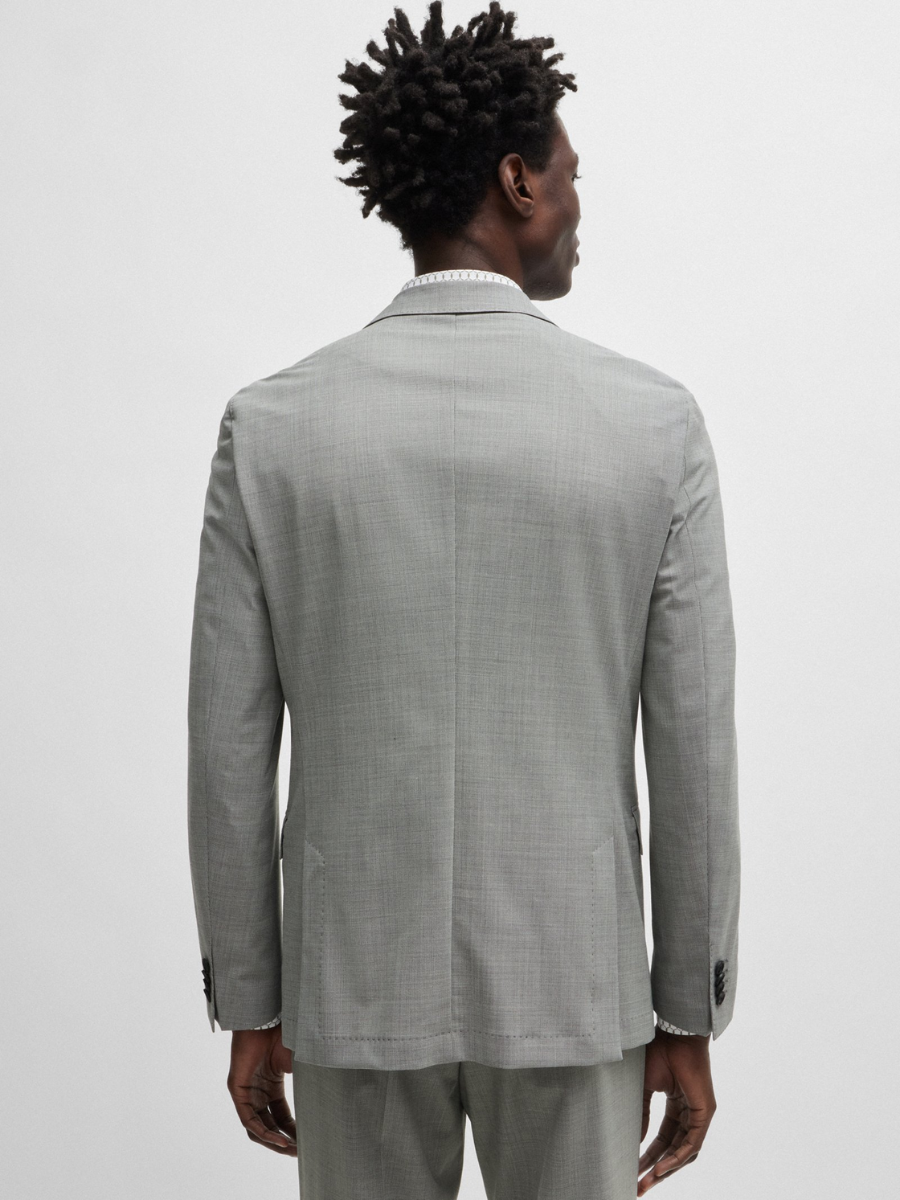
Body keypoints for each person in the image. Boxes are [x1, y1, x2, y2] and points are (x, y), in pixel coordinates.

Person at [187, 3, 740, 1197]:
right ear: (516, 180)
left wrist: (252, 999)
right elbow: (692, 747)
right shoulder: (652, 427)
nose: (579, 202)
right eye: (570, 174)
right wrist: (687, 1010)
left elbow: (228, 750)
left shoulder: (273, 430)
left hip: (352, 986)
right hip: (576, 987)